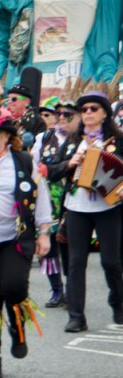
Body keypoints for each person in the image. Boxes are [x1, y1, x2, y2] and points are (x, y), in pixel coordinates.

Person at [0, 105, 52, 378]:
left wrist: (44, 232)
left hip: (15, 237)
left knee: (14, 288)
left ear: (7, 136)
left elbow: (40, 196)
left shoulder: (23, 162)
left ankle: (17, 330)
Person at [56, 85, 123, 332]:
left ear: (105, 113)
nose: (88, 113)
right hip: (77, 207)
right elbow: (52, 170)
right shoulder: (73, 141)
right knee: (76, 262)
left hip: (108, 207)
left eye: (93, 108)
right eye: (83, 109)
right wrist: (69, 163)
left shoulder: (118, 140)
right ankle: (76, 316)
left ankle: (118, 302)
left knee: (111, 262)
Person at [33, 93, 79, 308]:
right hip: (48, 196)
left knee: (67, 242)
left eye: (67, 114)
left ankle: (71, 288)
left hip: (71, 196)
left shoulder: (82, 139)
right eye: (58, 113)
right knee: (48, 245)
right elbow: (36, 167)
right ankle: (57, 289)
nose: (61, 117)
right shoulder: (43, 138)